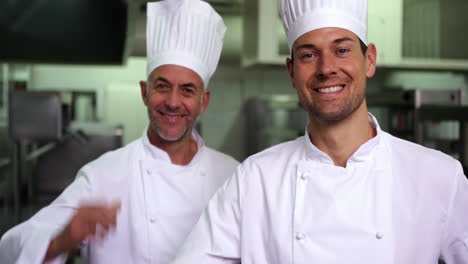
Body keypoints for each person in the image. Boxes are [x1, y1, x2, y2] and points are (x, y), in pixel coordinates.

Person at [171, 0, 468, 263]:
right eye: (308, 55)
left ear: (370, 60)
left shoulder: (438, 176)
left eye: (341, 50)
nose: (326, 68)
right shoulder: (255, 180)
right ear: (291, 72)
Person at [0, 0, 239, 263]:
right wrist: (64, 239)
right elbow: (13, 248)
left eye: (187, 90)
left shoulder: (233, 177)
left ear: (203, 101)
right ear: (144, 93)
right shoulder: (103, 175)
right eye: (162, 86)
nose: (172, 102)